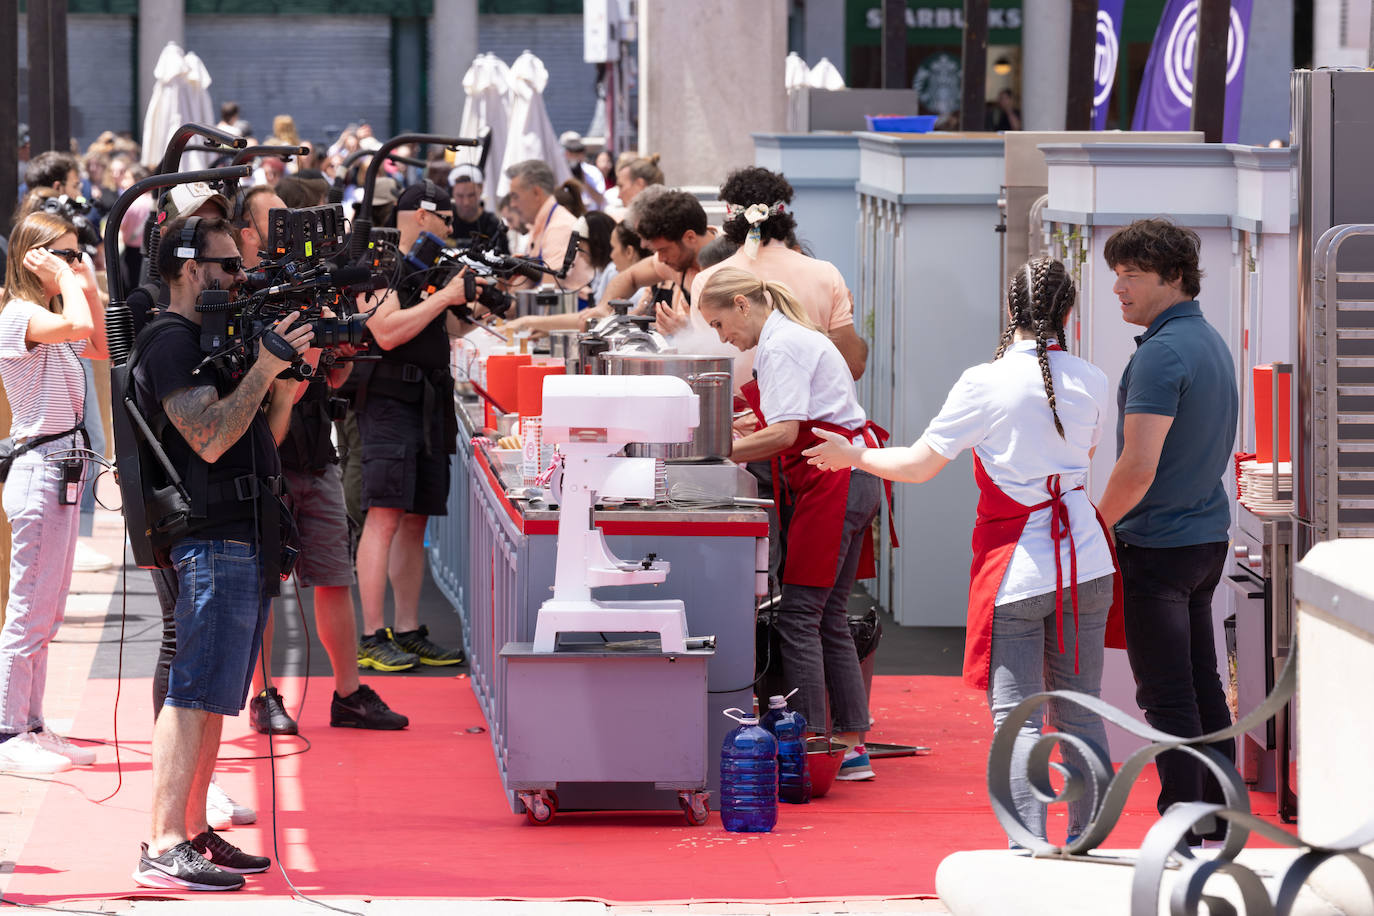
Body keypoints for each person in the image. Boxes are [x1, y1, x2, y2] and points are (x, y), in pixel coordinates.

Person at [806, 256, 1125, 842]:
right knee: (1081, 706)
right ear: (1069, 312)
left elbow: (920, 465)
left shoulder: (985, 381)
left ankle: (1027, 843)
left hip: (1019, 566)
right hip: (1086, 560)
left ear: (1010, 311)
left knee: (1017, 715)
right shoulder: (1094, 379)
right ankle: (1089, 837)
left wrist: (853, 456)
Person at [130, 215, 310, 890]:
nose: (241, 276)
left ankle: (194, 831)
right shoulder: (168, 341)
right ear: (184, 268)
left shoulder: (204, 340)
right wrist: (264, 366)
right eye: (226, 265)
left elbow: (249, 428)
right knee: (192, 693)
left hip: (244, 532)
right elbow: (207, 436)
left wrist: (281, 380)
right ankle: (163, 841)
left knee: (213, 698)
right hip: (209, 537)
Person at [232, 187, 409, 734]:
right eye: (274, 223)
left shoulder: (311, 291)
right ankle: (264, 695)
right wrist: (293, 366)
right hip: (261, 465)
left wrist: (335, 356)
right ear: (246, 233)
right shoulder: (240, 297)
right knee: (264, 585)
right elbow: (249, 393)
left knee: (334, 575)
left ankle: (348, 693)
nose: (287, 234)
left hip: (316, 455)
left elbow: (331, 379)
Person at [698, 267, 885, 780]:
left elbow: (783, 434)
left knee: (800, 616)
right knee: (827, 617)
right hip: (852, 475)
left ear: (741, 303)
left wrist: (717, 451)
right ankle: (848, 744)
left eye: (719, 324)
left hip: (833, 481)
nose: (723, 338)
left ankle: (808, 745)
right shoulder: (791, 337)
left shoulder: (780, 345)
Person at [1094, 218, 1239, 846]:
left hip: (1160, 543)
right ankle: (1215, 812)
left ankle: (1182, 821)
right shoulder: (1207, 340)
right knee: (1201, 681)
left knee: (1168, 693)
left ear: (1172, 278)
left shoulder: (1162, 352)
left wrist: (1095, 523)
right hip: (1204, 537)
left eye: (1131, 277)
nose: (1119, 290)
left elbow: (1138, 464)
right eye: (1116, 276)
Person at [0, 211, 108, 774]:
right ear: (34, 257)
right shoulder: (20, 314)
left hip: (61, 469)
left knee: (49, 607)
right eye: (62, 254)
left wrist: (82, 279)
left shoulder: (49, 312)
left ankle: (32, 723)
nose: (72, 263)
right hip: (39, 468)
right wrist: (71, 283)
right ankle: (7, 730)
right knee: (28, 607)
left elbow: (103, 347)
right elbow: (76, 329)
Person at [353, 181, 474, 672]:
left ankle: (406, 628)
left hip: (428, 403)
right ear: (423, 216)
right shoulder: (377, 262)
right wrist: (444, 296)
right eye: (445, 218)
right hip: (388, 403)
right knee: (383, 516)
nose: (450, 227)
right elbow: (385, 330)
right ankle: (370, 634)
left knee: (415, 518)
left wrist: (468, 298)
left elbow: (452, 327)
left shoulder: (428, 270)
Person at [685, 167, 867, 382]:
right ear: (783, 213)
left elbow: (709, 372)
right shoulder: (825, 274)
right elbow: (853, 366)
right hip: (809, 411)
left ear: (731, 219)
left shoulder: (707, 282)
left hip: (739, 412)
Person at [503, 190, 713, 335]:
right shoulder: (672, 262)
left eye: (663, 250)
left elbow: (736, 340)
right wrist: (604, 307)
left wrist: (691, 331)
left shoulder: (725, 266)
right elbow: (630, 277)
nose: (661, 259)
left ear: (690, 238)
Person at [503, 159, 594, 293]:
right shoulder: (539, 225)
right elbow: (526, 283)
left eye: (515, 197)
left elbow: (549, 291)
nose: (512, 204)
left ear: (536, 193)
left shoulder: (559, 227)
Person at [448, 164, 507, 254]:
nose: (466, 202)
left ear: (481, 189)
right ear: (452, 192)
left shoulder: (492, 225)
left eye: (471, 195)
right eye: (460, 196)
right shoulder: (445, 218)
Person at [558, 131, 606, 211]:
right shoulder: (558, 171)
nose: (574, 155)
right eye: (571, 151)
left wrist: (583, 179)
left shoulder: (592, 172)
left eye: (578, 151)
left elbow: (601, 200)